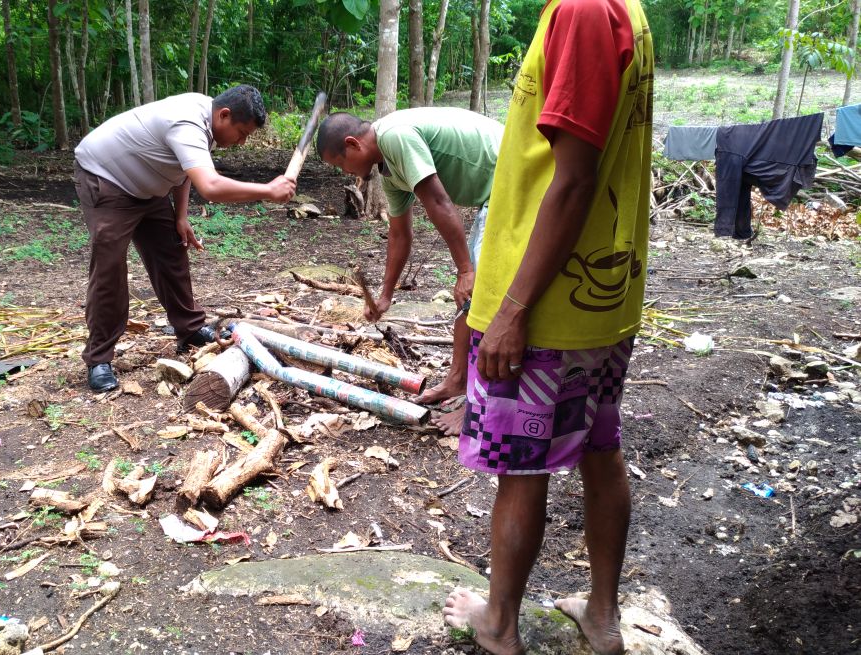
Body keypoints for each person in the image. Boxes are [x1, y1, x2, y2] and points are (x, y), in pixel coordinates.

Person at [439, 0, 654, 654]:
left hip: (548, 305)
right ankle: (602, 615)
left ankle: (499, 623)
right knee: (599, 447)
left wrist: (512, 309)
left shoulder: (585, 12)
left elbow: (571, 182)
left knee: (522, 469)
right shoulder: (626, 11)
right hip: (600, 294)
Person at [72, 85, 296, 392]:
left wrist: (180, 216)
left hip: (149, 187)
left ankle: (189, 330)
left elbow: (185, 169)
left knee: (172, 252)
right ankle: (98, 358)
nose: (242, 142)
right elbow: (211, 186)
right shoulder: (187, 122)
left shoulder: (210, 120)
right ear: (224, 115)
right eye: (242, 133)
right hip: (107, 179)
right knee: (109, 268)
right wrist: (268, 191)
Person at [315, 108, 502, 434]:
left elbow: (439, 202)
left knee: (482, 295)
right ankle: (457, 382)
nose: (346, 173)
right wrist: (386, 296)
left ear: (353, 144)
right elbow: (400, 234)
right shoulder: (389, 168)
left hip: (512, 178)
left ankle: (479, 406)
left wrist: (466, 270)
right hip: (495, 189)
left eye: (340, 164)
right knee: (469, 300)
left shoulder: (395, 136)